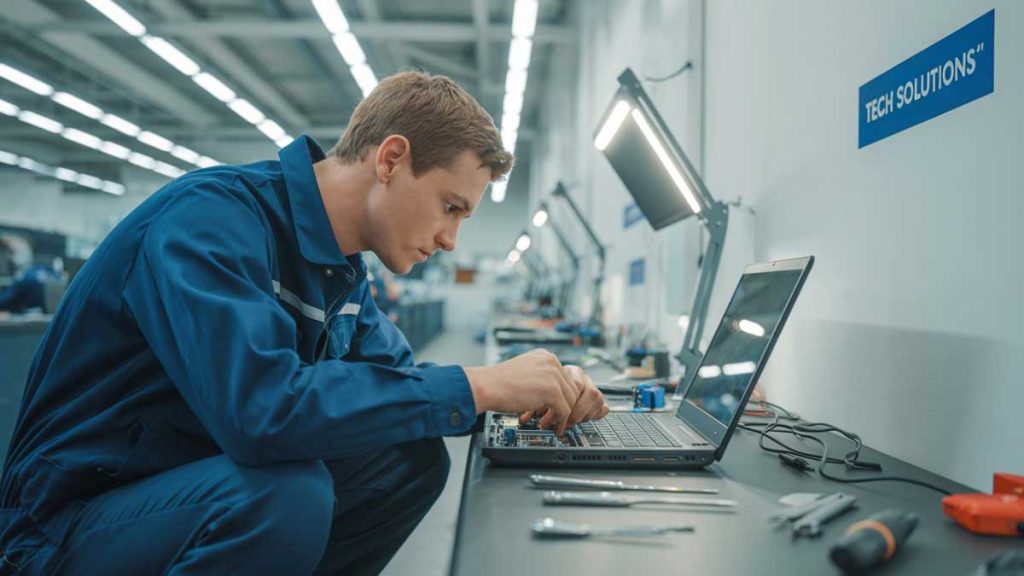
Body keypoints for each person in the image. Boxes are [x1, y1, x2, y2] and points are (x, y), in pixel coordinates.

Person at [0, 71, 609, 575]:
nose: (451, 239)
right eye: (451, 207)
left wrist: (536, 388)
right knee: (284, 496)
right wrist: (480, 385)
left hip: (182, 485)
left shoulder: (342, 273)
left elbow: (396, 385)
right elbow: (260, 413)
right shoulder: (210, 221)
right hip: (68, 523)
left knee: (410, 459)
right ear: (392, 159)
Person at [0, 236, 60, 315]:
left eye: (11, 253)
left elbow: (3, 301)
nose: (9, 258)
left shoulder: (24, 278)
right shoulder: (48, 271)